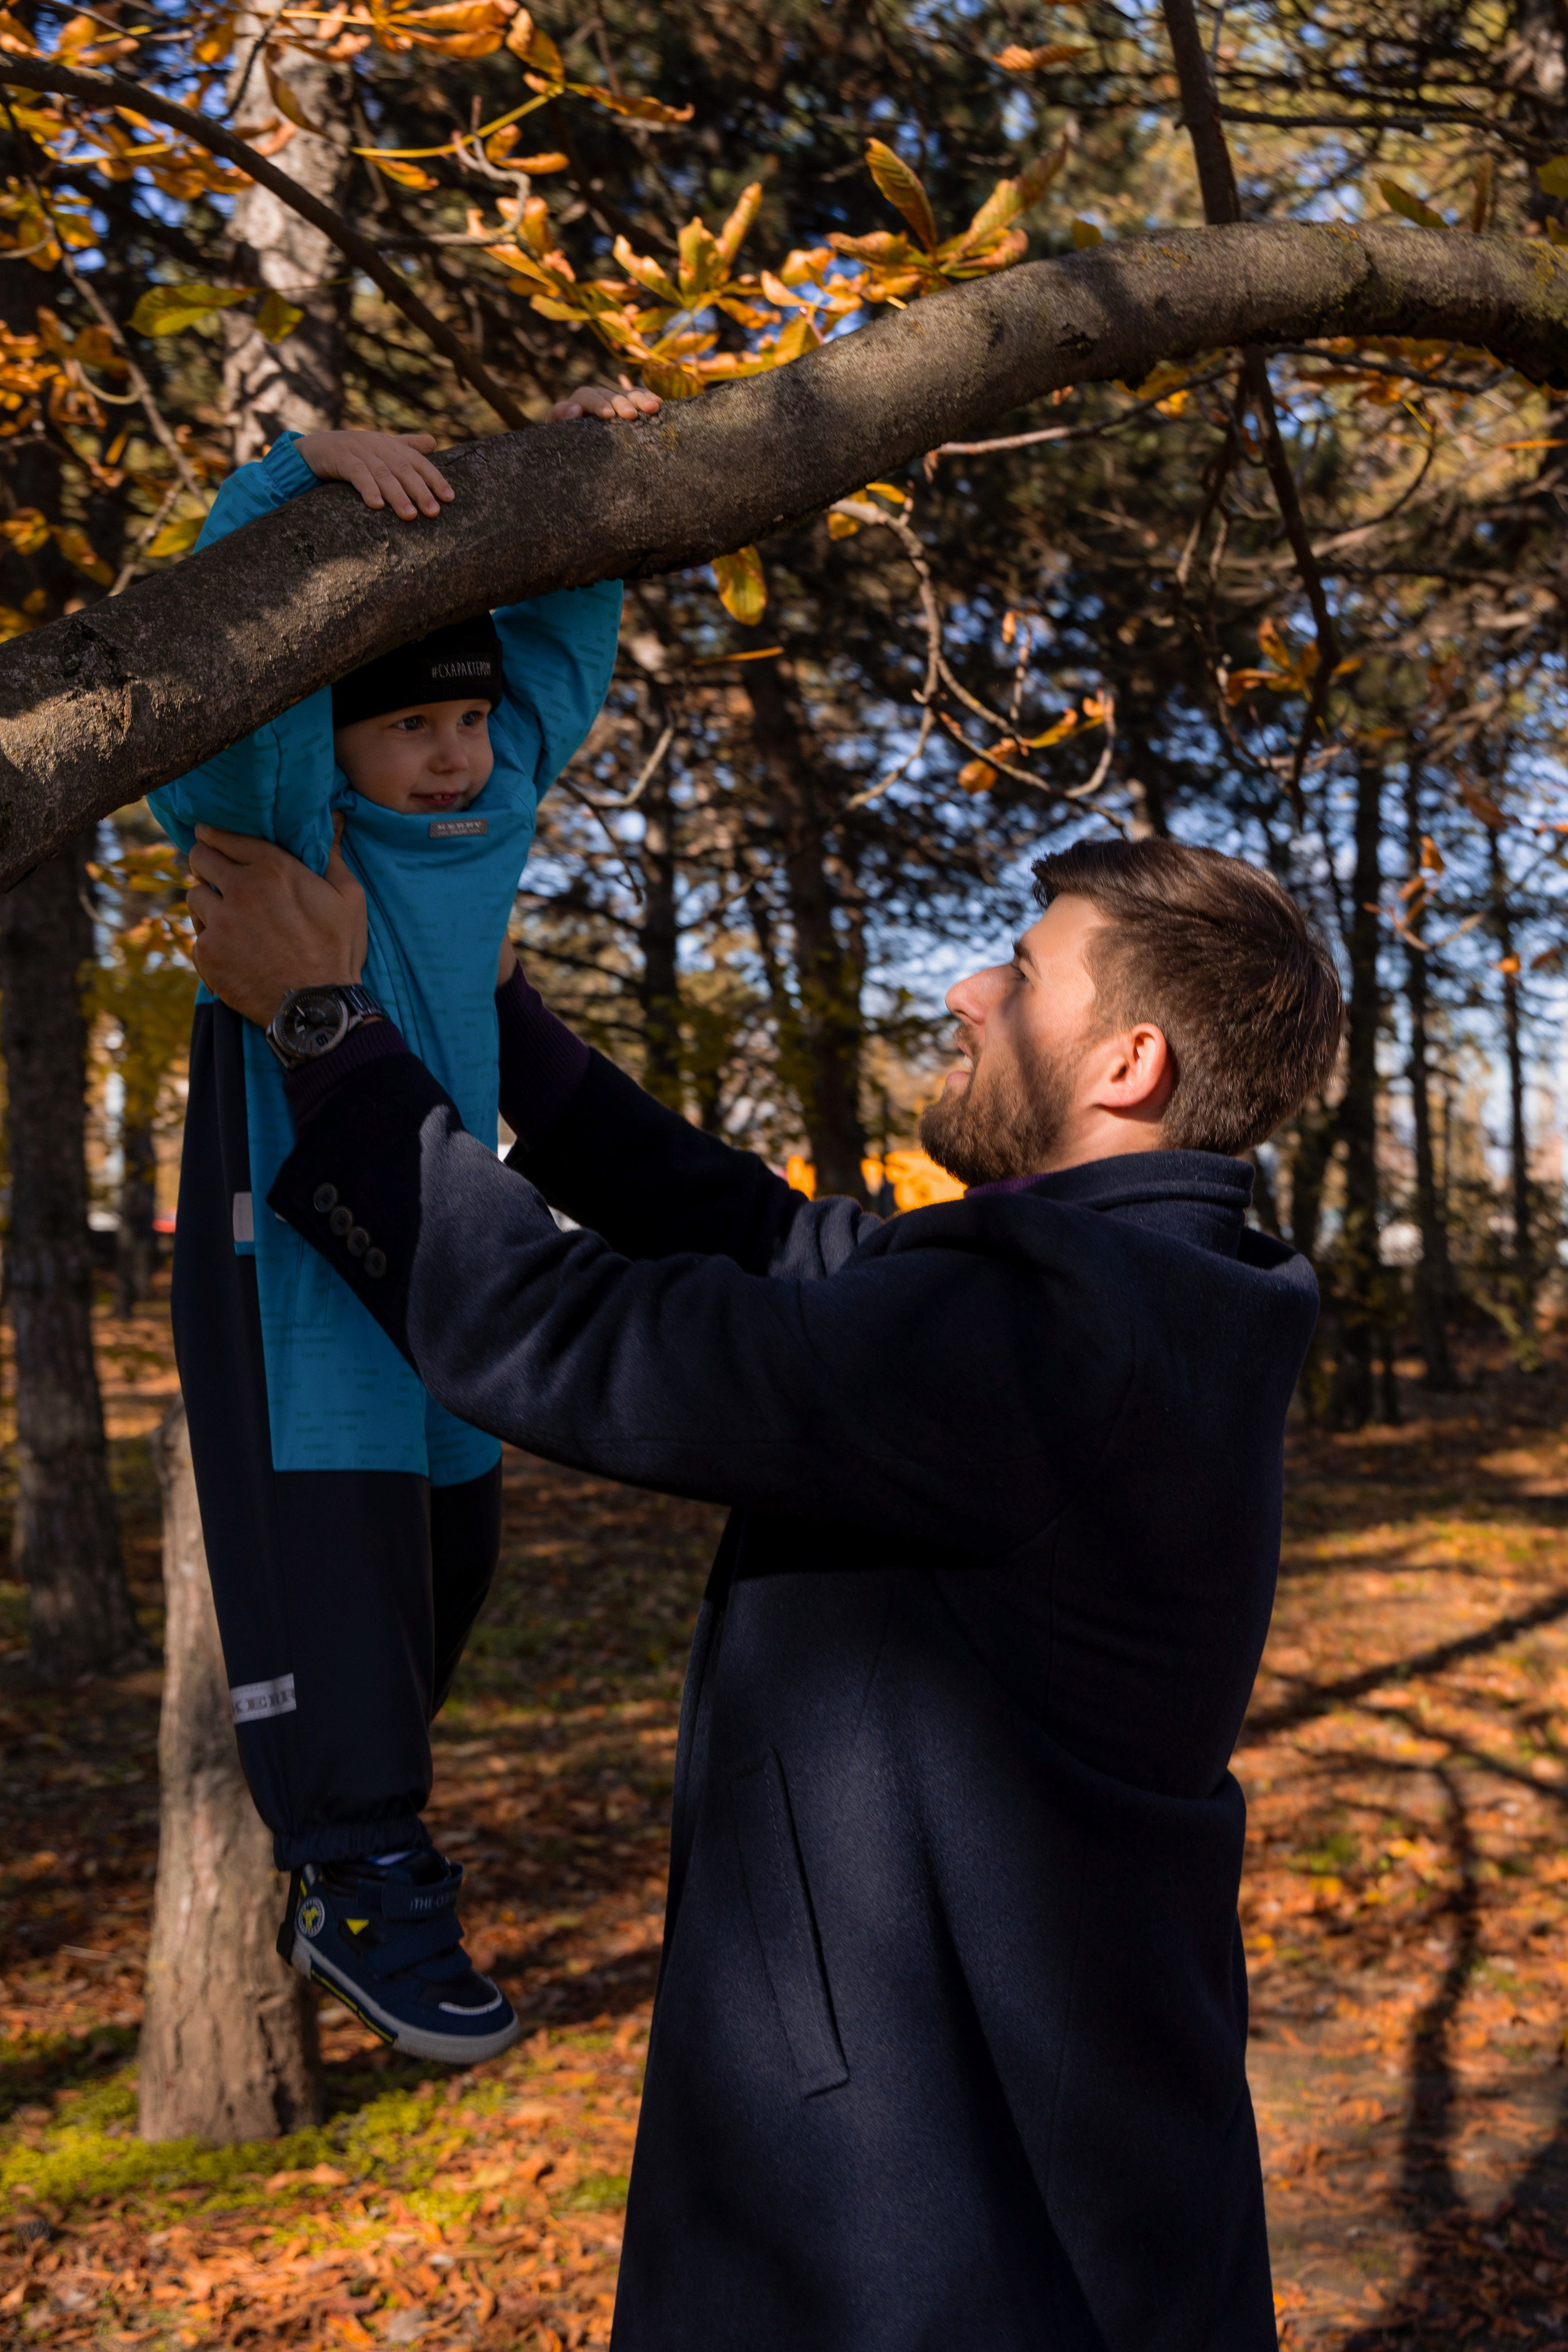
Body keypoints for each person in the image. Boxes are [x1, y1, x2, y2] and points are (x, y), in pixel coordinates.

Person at [185, 826, 1342, 2350]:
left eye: (1024, 971)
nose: (968, 992)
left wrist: (326, 1031)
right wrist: (504, 1020)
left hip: (924, 2208)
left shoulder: (1045, 1334)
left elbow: (567, 1336)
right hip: (1021, 2132)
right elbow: (769, 1236)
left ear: (1124, 1061)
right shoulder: (1140, 1289)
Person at [148, 387, 657, 2067]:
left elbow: (565, 633)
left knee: (454, 1553)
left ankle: (366, 1831)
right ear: (345, 742)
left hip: (441, 1219)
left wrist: (581, 454)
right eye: (410, 727)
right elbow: (230, 671)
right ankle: (356, 1862)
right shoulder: (293, 823)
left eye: (467, 721)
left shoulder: (494, 806)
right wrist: (290, 479)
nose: (449, 749)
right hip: (296, 1254)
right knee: (337, 1565)